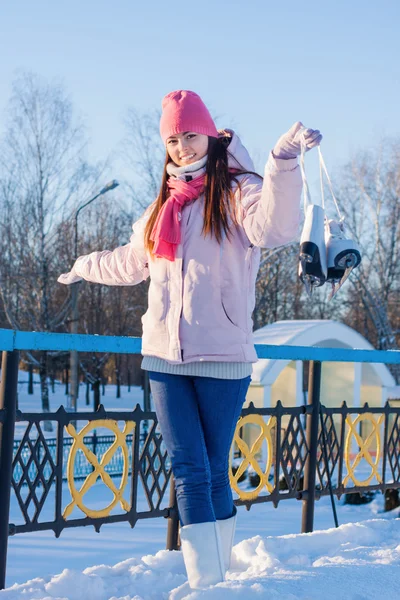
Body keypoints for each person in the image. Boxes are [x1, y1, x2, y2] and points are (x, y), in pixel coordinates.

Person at [58, 90, 322, 593]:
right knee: (188, 468)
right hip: (163, 357)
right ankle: (210, 583)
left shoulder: (238, 190)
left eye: (189, 135)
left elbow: (276, 226)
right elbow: (130, 261)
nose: (181, 147)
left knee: (210, 471)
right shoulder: (164, 205)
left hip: (223, 355)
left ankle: (211, 585)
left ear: (208, 133)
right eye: (172, 139)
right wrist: (84, 266)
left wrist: (282, 161)